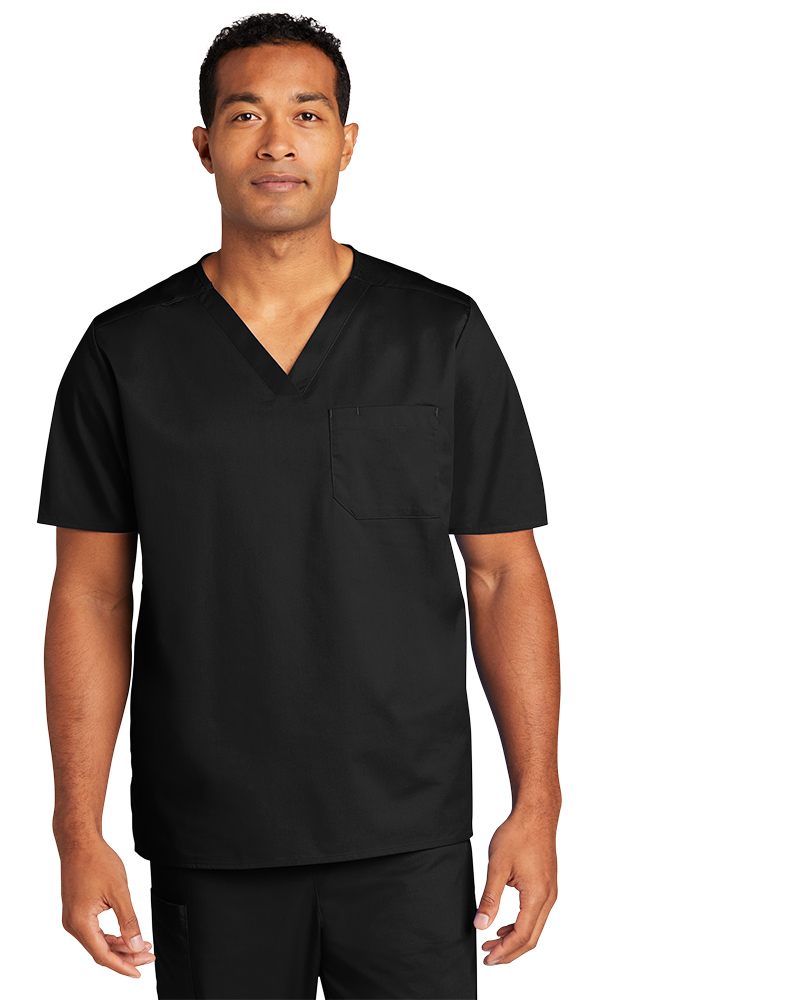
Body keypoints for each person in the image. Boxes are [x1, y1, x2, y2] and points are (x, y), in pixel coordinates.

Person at [37, 12, 560, 999]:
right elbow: (91, 595)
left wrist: (538, 803)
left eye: (307, 115)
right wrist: (77, 828)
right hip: (211, 839)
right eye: (246, 115)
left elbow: (503, 572)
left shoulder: (439, 335)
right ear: (204, 145)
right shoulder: (126, 352)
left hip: (406, 834)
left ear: (347, 143)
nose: (277, 142)